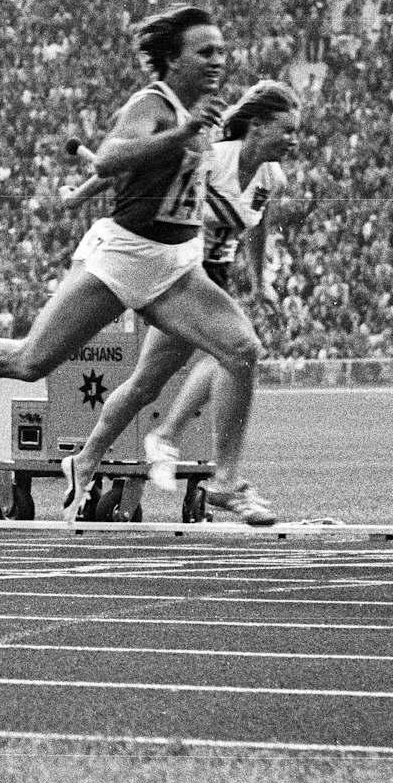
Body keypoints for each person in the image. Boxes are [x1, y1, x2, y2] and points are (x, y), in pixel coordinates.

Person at [0, 6, 274, 525]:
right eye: (205, 51)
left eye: (221, 51)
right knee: (32, 362)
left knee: (241, 349)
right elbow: (110, 157)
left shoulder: (204, 113)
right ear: (171, 58)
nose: (217, 61)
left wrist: (89, 190)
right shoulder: (153, 105)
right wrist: (178, 135)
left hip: (177, 266)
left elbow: (141, 175)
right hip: (121, 257)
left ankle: (227, 483)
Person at [61, 81, 301, 507]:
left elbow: (258, 224)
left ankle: (86, 459)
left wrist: (260, 277)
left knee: (146, 385)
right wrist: (79, 195)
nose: (295, 140)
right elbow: (126, 171)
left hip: (212, 278)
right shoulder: (216, 157)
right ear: (258, 127)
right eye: (288, 130)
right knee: (231, 352)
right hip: (177, 272)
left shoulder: (270, 176)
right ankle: (177, 444)